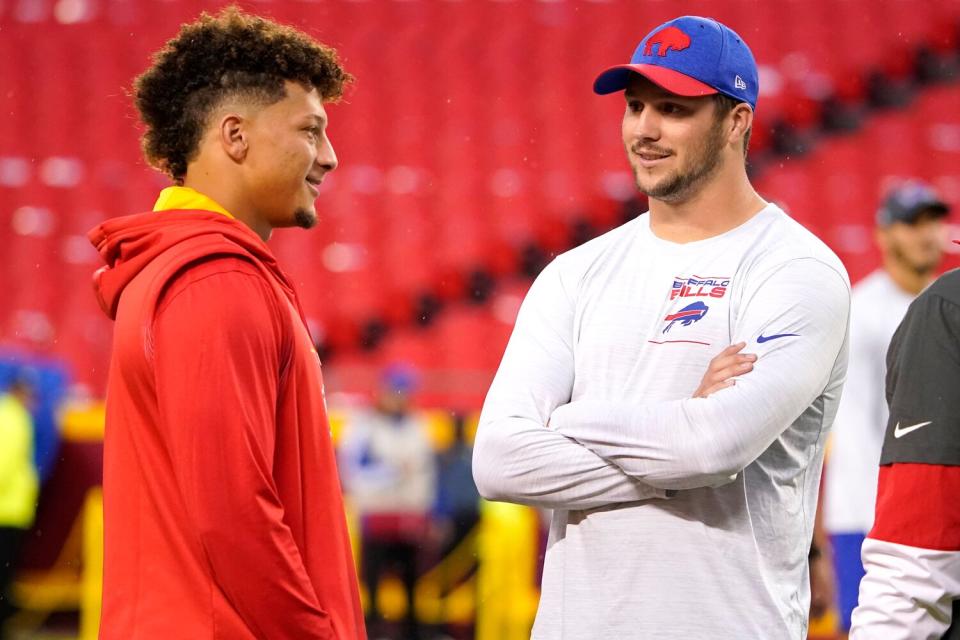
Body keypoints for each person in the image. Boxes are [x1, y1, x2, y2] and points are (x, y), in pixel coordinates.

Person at [472, 15, 851, 639]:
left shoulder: (796, 271)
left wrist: (564, 422)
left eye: (673, 109)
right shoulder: (575, 273)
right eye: (635, 106)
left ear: (736, 122)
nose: (643, 130)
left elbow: (713, 447)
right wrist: (681, 423)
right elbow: (498, 462)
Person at [87, 8, 364, 638]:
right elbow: (233, 514)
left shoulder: (188, 269)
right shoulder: (217, 281)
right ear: (235, 137)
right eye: (310, 130)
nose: (330, 156)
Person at [823, 180, 950, 635]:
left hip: (936, 508)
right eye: (911, 224)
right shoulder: (860, 310)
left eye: (932, 222)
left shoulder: (947, 305)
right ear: (884, 234)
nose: (925, 234)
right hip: (865, 512)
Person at [850, 266, 960, 638]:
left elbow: (919, 557)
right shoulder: (866, 303)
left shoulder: (948, 307)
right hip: (857, 500)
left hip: (904, 503)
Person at [338, 366, 436, 640]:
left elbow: (424, 474)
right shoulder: (363, 425)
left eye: (404, 391)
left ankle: (411, 632)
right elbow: (353, 472)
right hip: (376, 517)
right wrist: (392, 472)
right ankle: (370, 631)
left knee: (412, 584)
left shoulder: (419, 425)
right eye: (395, 390)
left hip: (408, 517)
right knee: (372, 583)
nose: (400, 397)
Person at [0, 379, 37, 640]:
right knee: (3, 580)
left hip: (8, 511)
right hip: (8, 513)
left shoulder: (7, 415)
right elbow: (5, 464)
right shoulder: (15, 418)